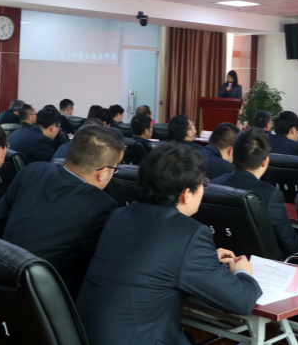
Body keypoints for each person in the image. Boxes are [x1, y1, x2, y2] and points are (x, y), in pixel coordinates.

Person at [76, 143, 261, 345]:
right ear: (186, 194)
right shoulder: (188, 234)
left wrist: (203, 259)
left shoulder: (119, 215)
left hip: (85, 336)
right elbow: (241, 302)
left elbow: (151, 260)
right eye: (203, 183)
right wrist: (242, 271)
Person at [0, 126, 122, 298]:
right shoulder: (101, 205)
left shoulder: (32, 170)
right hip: (43, 298)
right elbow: (96, 272)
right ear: (103, 173)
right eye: (115, 168)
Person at [213, 128, 298, 257]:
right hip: (260, 264)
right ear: (265, 161)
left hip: (221, 258)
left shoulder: (213, 184)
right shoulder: (271, 195)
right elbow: (290, 244)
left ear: (232, 153)